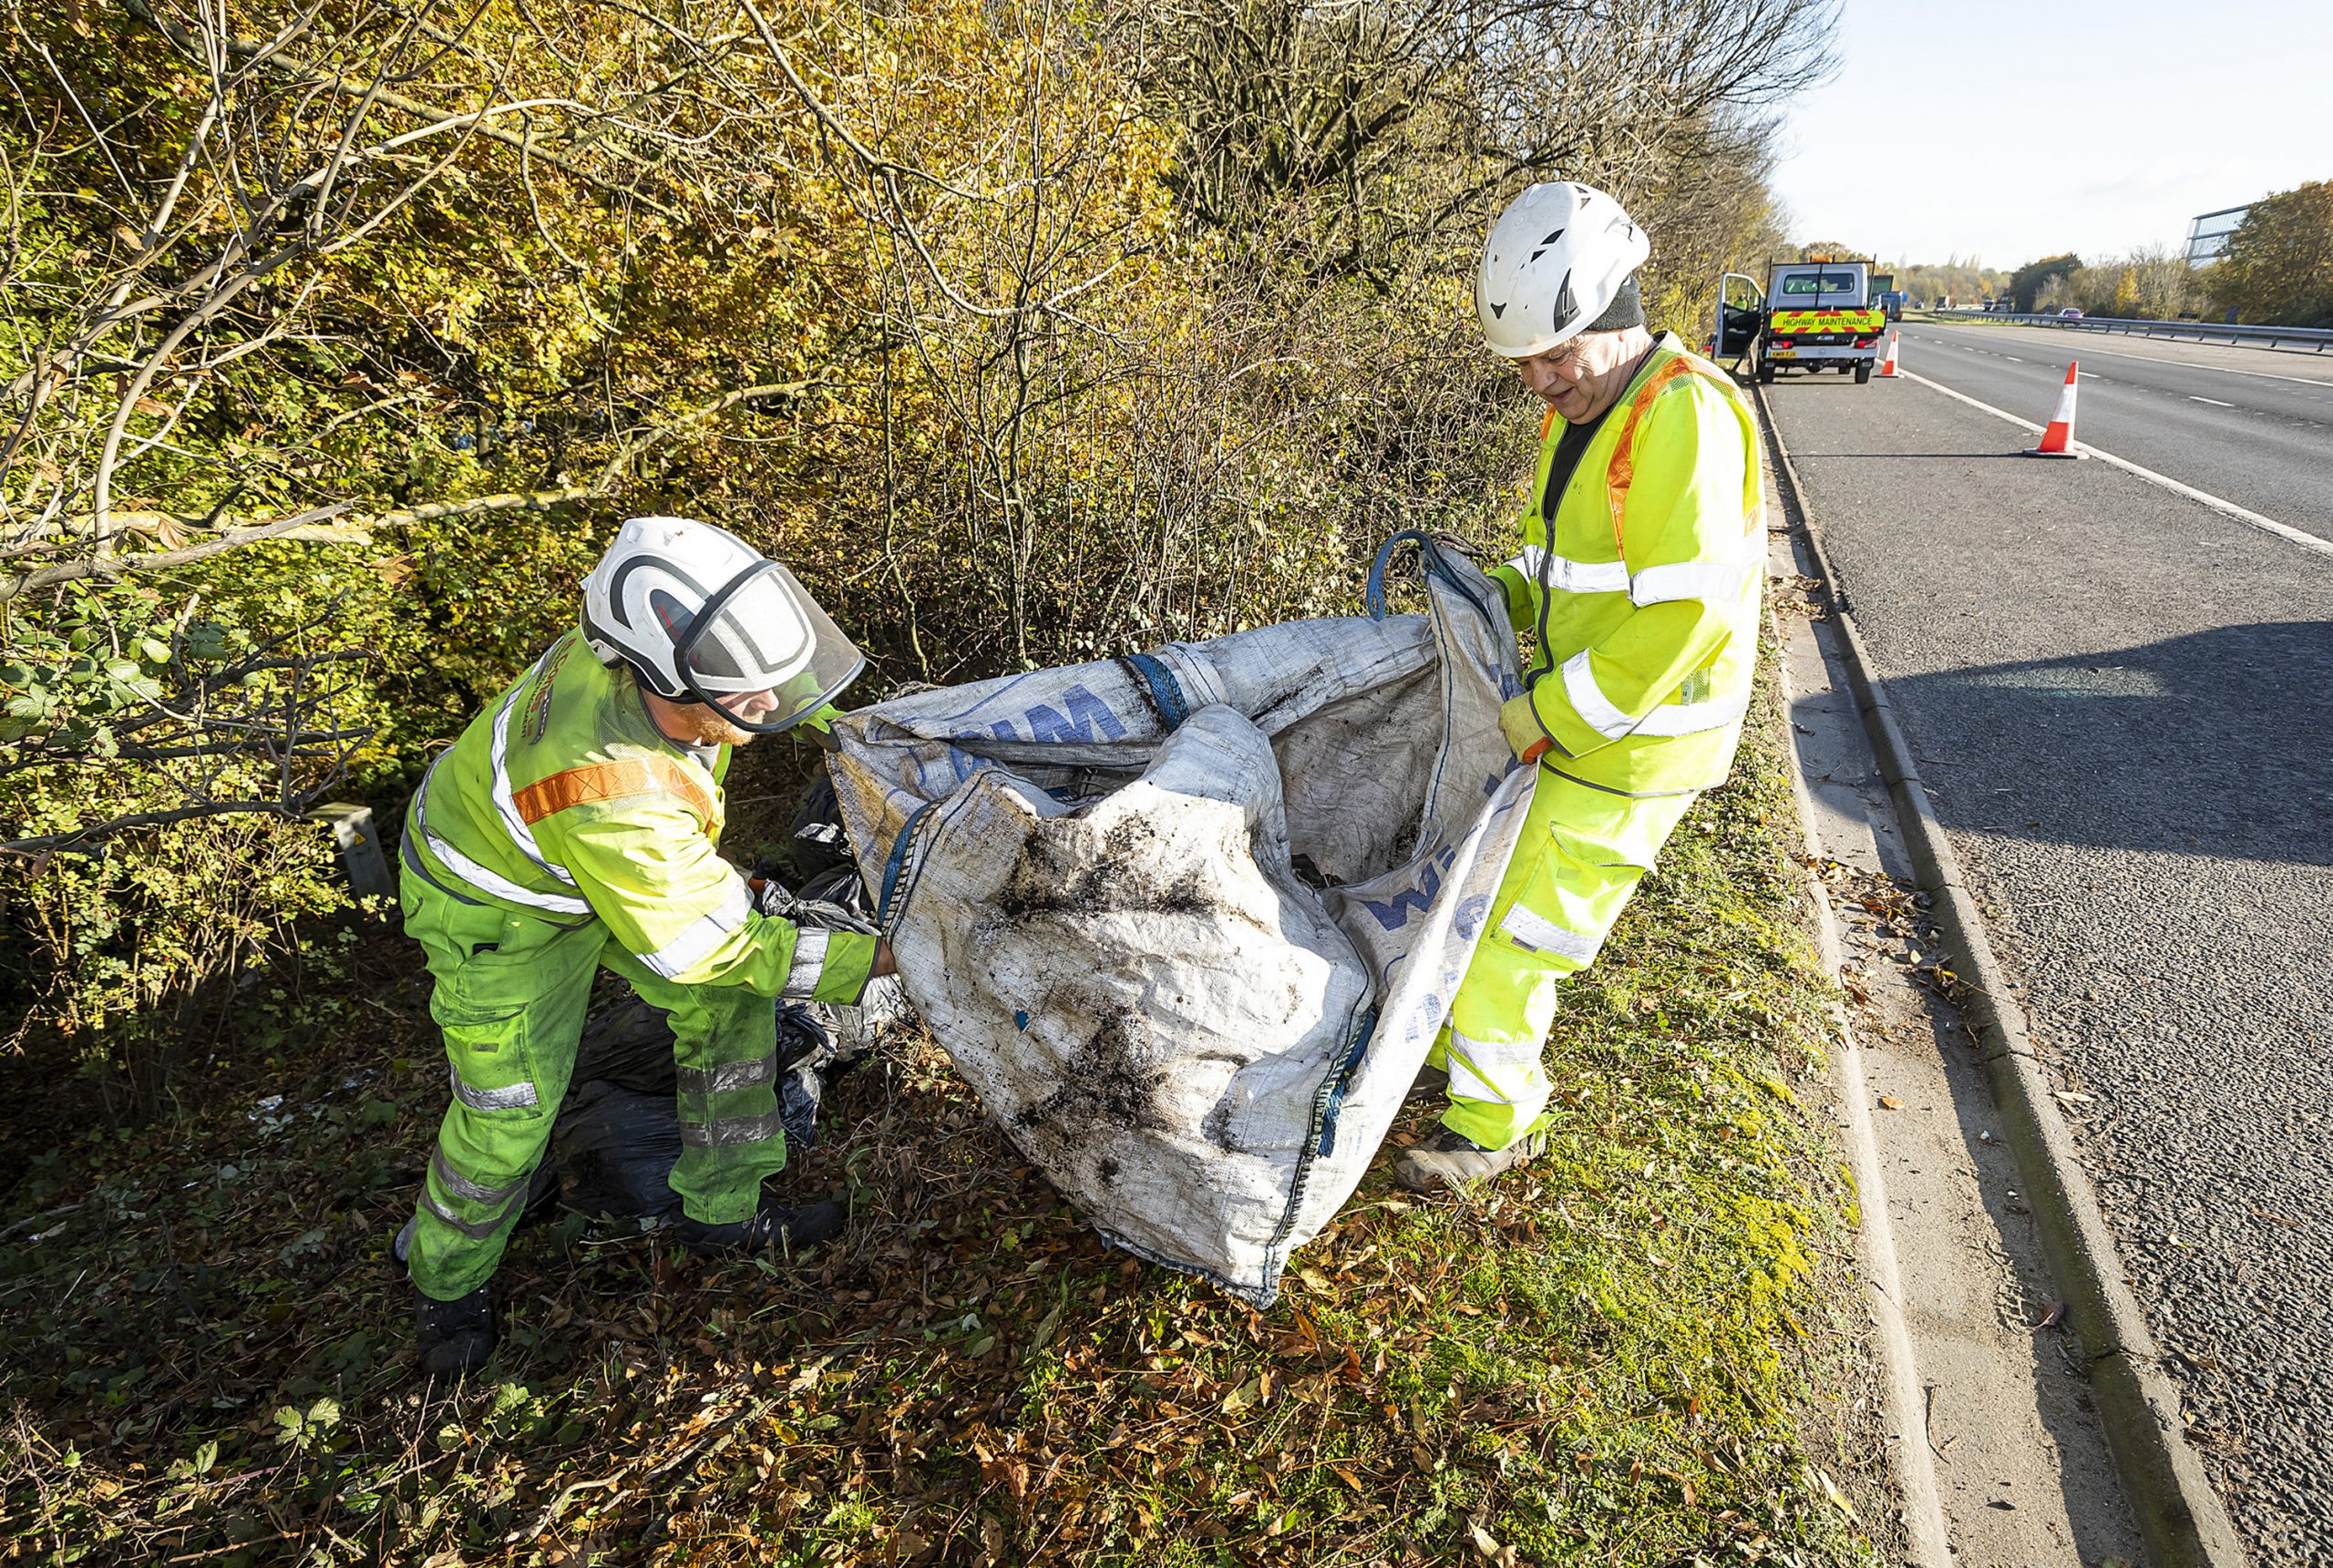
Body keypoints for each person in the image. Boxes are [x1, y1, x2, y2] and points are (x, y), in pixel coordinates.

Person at [396, 516, 894, 1376]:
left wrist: (880, 737)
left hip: (588, 857)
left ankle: (721, 1210)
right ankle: (444, 1284)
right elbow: (718, 950)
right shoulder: (609, 784)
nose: (766, 709)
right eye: (740, 698)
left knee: (726, 1015)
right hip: (497, 912)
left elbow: (761, 701)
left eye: (769, 685)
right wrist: (884, 958)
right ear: (663, 679)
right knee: (507, 1116)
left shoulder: (644, 648)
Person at [1395, 182, 1763, 1191]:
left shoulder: (1681, 417)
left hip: (1632, 751)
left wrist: (1541, 715)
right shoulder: (1589, 416)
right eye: (1524, 364)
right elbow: (1565, 570)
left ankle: (1492, 1123)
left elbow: (1681, 618)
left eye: (1557, 357)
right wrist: (1489, 595)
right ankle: (1454, 1050)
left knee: (1511, 935)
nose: (1540, 383)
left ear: (1616, 317)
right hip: (1588, 735)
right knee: (1474, 905)